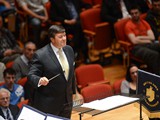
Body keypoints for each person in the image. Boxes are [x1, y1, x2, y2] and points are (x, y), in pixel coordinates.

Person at [28, 25, 82, 118]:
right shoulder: (41, 55)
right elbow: (31, 75)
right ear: (52, 39)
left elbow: (71, 73)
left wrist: (75, 92)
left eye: (64, 35)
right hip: (49, 104)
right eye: (60, 37)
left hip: (67, 101)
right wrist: (40, 80)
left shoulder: (69, 50)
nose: (64, 39)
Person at [124, 5, 160, 75]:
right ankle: (158, 76)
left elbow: (152, 37)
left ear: (140, 13)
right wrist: (147, 39)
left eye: (136, 13)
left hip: (148, 44)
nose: (134, 15)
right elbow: (134, 41)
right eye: (132, 14)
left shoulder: (144, 23)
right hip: (136, 48)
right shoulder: (128, 25)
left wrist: (139, 37)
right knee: (154, 55)